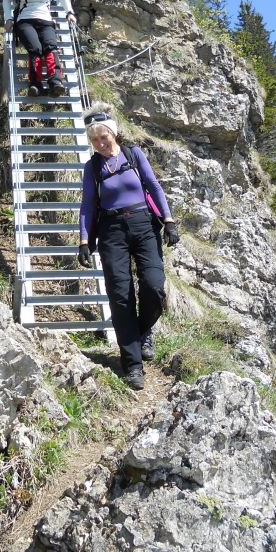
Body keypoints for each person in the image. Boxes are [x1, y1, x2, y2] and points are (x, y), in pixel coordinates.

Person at [77, 105, 180, 390]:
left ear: (113, 133)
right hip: (111, 231)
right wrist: (84, 240)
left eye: (103, 138)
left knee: (154, 284)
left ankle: (143, 329)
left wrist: (168, 220)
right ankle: (133, 365)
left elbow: (154, 186)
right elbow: (87, 204)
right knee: (120, 295)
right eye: (94, 140)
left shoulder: (134, 155)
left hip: (144, 225)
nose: (100, 144)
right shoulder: (92, 168)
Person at [4, 0, 76, 97]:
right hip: (25, 21)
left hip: (45, 20)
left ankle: (55, 82)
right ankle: (35, 84)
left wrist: (69, 12)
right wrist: (8, 18)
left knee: (50, 47)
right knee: (35, 48)